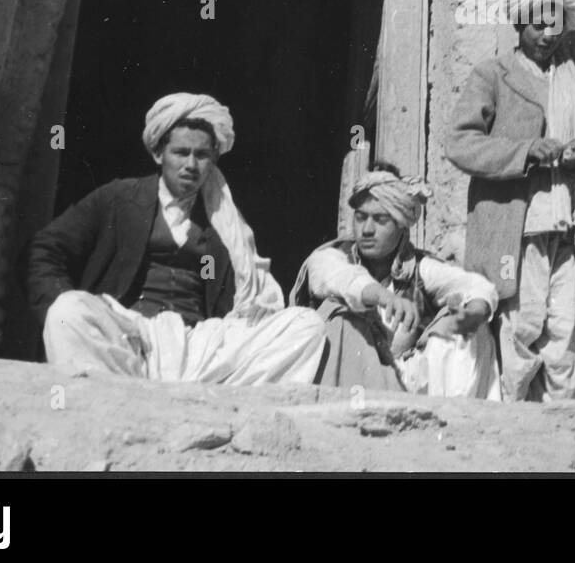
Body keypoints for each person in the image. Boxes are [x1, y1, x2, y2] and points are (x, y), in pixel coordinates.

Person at [27, 93, 327, 384]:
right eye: (181, 153)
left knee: (307, 325)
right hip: (129, 336)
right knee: (68, 310)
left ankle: (215, 402)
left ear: (214, 159)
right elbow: (44, 250)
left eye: (202, 155)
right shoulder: (120, 198)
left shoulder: (225, 220)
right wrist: (59, 303)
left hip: (197, 344)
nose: (191, 165)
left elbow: (253, 296)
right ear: (159, 154)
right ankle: (115, 394)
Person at [445, 0, 575, 401]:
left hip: (570, 227)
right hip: (515, 230)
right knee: (519, 326)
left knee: (567, 331)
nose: (546, 34)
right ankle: (513, 430)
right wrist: (525, 152)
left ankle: (563, 434)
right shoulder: (494, 76)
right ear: (519, 23)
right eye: (536, 24)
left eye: (554, 24)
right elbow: (461, 142)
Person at [293, 165, 501, 398]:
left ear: (401, 224)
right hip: (346, 381)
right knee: (342, 318)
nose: (367, 230)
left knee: (466, 324)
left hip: (399, 382)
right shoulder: (333, 257)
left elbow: (477, 287)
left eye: (380, 219)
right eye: (361, 218)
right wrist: (383, 296)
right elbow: (342, 277)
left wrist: (472, 315)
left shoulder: (418, 268)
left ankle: (453, 421)